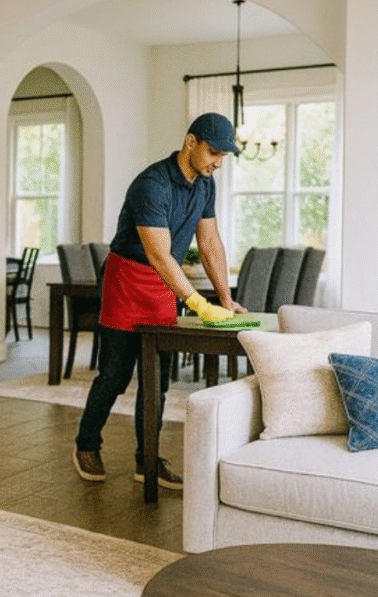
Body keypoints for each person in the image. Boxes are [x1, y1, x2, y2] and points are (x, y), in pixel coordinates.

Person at [72, 112, 246, 490]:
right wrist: (198, 304)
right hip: (128, 279)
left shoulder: (205, 184)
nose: (218, 162)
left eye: (224, 156)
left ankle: (146, 460)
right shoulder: (151, 185)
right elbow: (159, 254)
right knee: (115, 376)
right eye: (213, 152)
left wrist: (226, 298)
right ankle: (86, 443)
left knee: (157, 381)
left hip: (162, 286)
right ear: (190, 142)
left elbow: (210, 241)